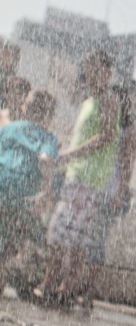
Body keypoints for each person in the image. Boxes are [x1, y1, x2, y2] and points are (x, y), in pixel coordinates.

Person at [37, 49, 119, 307]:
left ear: (108, 72)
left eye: (95, 69)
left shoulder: (108, 100)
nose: (90, 74)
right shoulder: (88, 101)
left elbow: (106, 136)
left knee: (67, 235)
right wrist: (64, 154)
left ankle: (55, 287)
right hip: (77, 176)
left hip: (88, 179)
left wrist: (70, 154)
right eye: (87, 68)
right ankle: (60, 288)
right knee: (68, 235)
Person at [0, 90, 58, 293]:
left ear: (25, 108)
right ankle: (13, 267)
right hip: (23, 195)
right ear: (50, 115)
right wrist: (46, 191)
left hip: (2, 187)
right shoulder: (48, 137)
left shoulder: (8, 128)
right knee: (33, 238)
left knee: (3, 236)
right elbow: (45, 160)